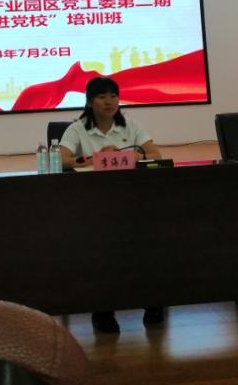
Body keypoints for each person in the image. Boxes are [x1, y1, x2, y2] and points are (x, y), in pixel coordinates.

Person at [58, 76, 164, 334]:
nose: (109, 102)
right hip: (92, 203)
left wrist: (134, 154)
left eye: (113, 96)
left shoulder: (131, 125)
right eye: (102, 96)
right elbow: (62, 159)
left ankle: (153, 303)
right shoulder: (77, 128)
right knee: (101, 250)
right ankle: (103, 310)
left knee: (146, 246)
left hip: (131, 199)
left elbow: (155, 155)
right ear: (89, 101)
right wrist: (94, 158)